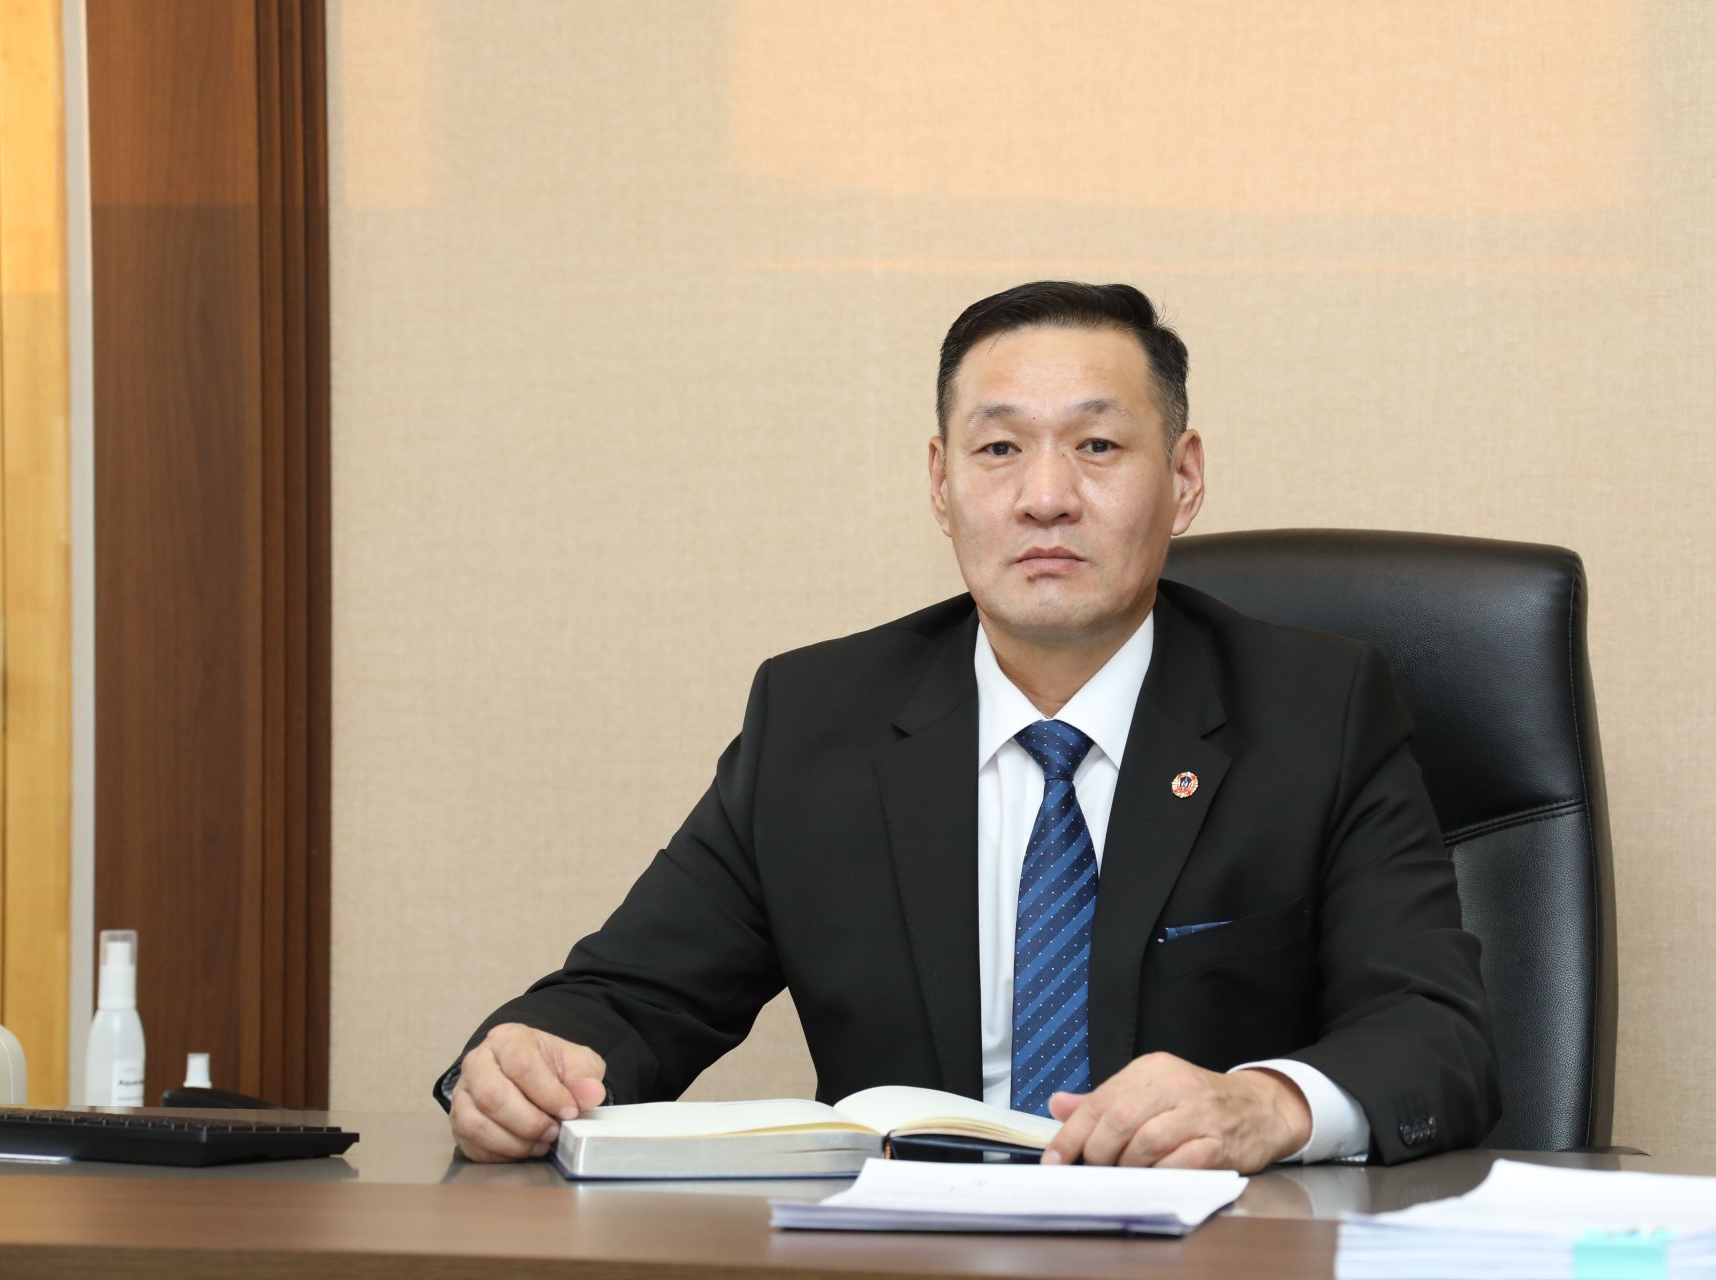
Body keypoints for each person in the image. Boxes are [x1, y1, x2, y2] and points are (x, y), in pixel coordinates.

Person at [439, 282, 1498, 1171]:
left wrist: (1267, 1104)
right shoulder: (819, 720)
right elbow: (631, 996)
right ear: (941, 483)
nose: (1046, 496)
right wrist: (529, 1063)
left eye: (1097, 444)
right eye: (998, 448)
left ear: (1182, 480)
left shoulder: (1318, 712)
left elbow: (1436, 1034)